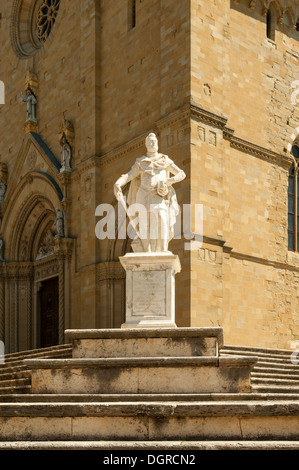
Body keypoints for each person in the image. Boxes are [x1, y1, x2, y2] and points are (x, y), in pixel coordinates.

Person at [114, 133, 186, 252]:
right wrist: (117, 184)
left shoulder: (164, 160)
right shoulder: (141, 162)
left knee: (162, 219)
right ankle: (146, 252)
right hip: (143, 195)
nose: (153, 143)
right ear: (146, 145)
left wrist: (169, 181)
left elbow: (181, 174)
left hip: (158, 196)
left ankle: (162, 250)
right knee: (144, 226)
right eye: (150, 142)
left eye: (154, 141)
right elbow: (128, 176)